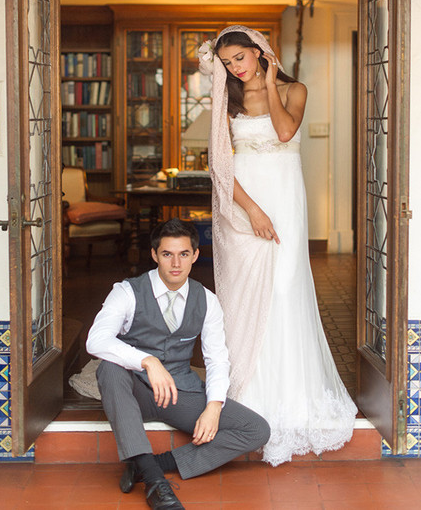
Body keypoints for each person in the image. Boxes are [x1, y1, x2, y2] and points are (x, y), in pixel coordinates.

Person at [199, 25, 357, 466]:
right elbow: (220, 165)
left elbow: (285, 133)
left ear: (259, 51)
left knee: (286, 289)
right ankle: (250, 396)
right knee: (247, 296)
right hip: (245, 205)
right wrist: (252, 211)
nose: (235, 68)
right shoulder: (226, 100)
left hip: (285, 200)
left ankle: (292, 396)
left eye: (240, 58)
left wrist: (269, 83)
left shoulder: (294, 90)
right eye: (227, 63)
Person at [86, 218, 270, 510]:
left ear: (195, 255)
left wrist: (214, 407)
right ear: (154, 255)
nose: (176, 263)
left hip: (178, 393)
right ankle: (155, 482)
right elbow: (96, 340)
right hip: (135, 391)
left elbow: (216, 358)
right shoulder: (127, 291)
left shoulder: (207, 300)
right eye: (167, 254)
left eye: (183, 254)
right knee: (108, 368)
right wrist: (147, 361)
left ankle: (148, 465)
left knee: (256, 429)